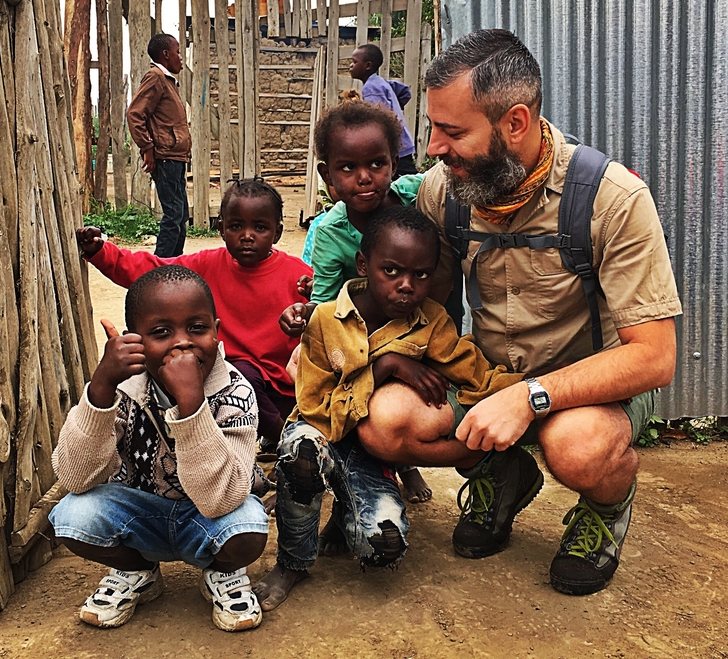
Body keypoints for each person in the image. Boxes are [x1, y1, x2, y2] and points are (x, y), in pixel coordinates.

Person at [360, 28, 680, 596]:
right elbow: (424, 307)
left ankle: (606, 510)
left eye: (452, 131)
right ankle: (501, 474)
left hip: (588, 393)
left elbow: (654, 359)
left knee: (576, 446)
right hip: (487, 379)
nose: (433, 146)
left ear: (515, 123)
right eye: (433, 127)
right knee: (385, 422)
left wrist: (529, 397)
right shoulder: (444, 190)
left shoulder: (612, 199)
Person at [254, 205, 524, 610]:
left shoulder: (430, 322)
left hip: (368, 450)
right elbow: (317, 411)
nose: (406, 286)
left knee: (384, 547)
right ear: (364, 264)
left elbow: (472, 369)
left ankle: (349, 518)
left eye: (421, 275)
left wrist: (531, 392)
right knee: (302, 456)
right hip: (319, 435)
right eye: (392, 271)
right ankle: (292, 562)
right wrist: (385, 368)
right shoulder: (325, 321)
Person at [49, 266, 268, 631]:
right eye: (161, 332)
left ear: (217, 331)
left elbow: (222, 501)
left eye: (197, 328)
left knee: (250, 524)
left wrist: (191, 405)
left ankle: (221, 574)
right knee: (73, 517)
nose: (183, 343)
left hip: (208, 519)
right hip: (141, 514)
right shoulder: (122, 389)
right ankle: (138, 571)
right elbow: (75, 477)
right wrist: (101, 386)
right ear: (135, 341)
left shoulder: (236, 392)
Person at [77, 179, 311, 446]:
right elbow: (152, 271)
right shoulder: (205, 265)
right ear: (221, 229)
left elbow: (327, 313)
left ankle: (290, 442)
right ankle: (287, 444)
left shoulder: (298, 276)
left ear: (277, 232)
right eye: (236, 226)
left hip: (285, 384)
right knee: (243, 375)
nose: (247, 235)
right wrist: (101, 252)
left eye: (259, 227)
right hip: (229, 382)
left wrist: (308, 313)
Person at [279, 100, 431, 503]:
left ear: (394, 164)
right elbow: (328, 304)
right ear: (326, 175)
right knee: (325, 376)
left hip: (421, 324)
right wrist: (305, 316)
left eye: (377, 164)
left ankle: (405, 464)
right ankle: (331, 474)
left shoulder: (419, 197)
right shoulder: (331, 232)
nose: (365, 178)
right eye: (347, 168)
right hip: (362, 333)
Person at [126, 33, 191, 257]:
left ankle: (174, 265)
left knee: (180, 215)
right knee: (173, 215)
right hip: (166, 157)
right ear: (165, 54)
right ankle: (159, 270)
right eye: (178, 52)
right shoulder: (155, 77)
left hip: (175, 157)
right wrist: (147, 149)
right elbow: (135, 114)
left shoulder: (167, 81)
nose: (181, 58)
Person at [349, 43, 417, 177]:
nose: (350, 66)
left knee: (410, 183)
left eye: (354, 62)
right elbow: (405, 92)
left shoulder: (370, 88)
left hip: (395, 145)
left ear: (367, 66)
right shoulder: (381, 82)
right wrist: (395, 107)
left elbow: (377, 120)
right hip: (402, 142)